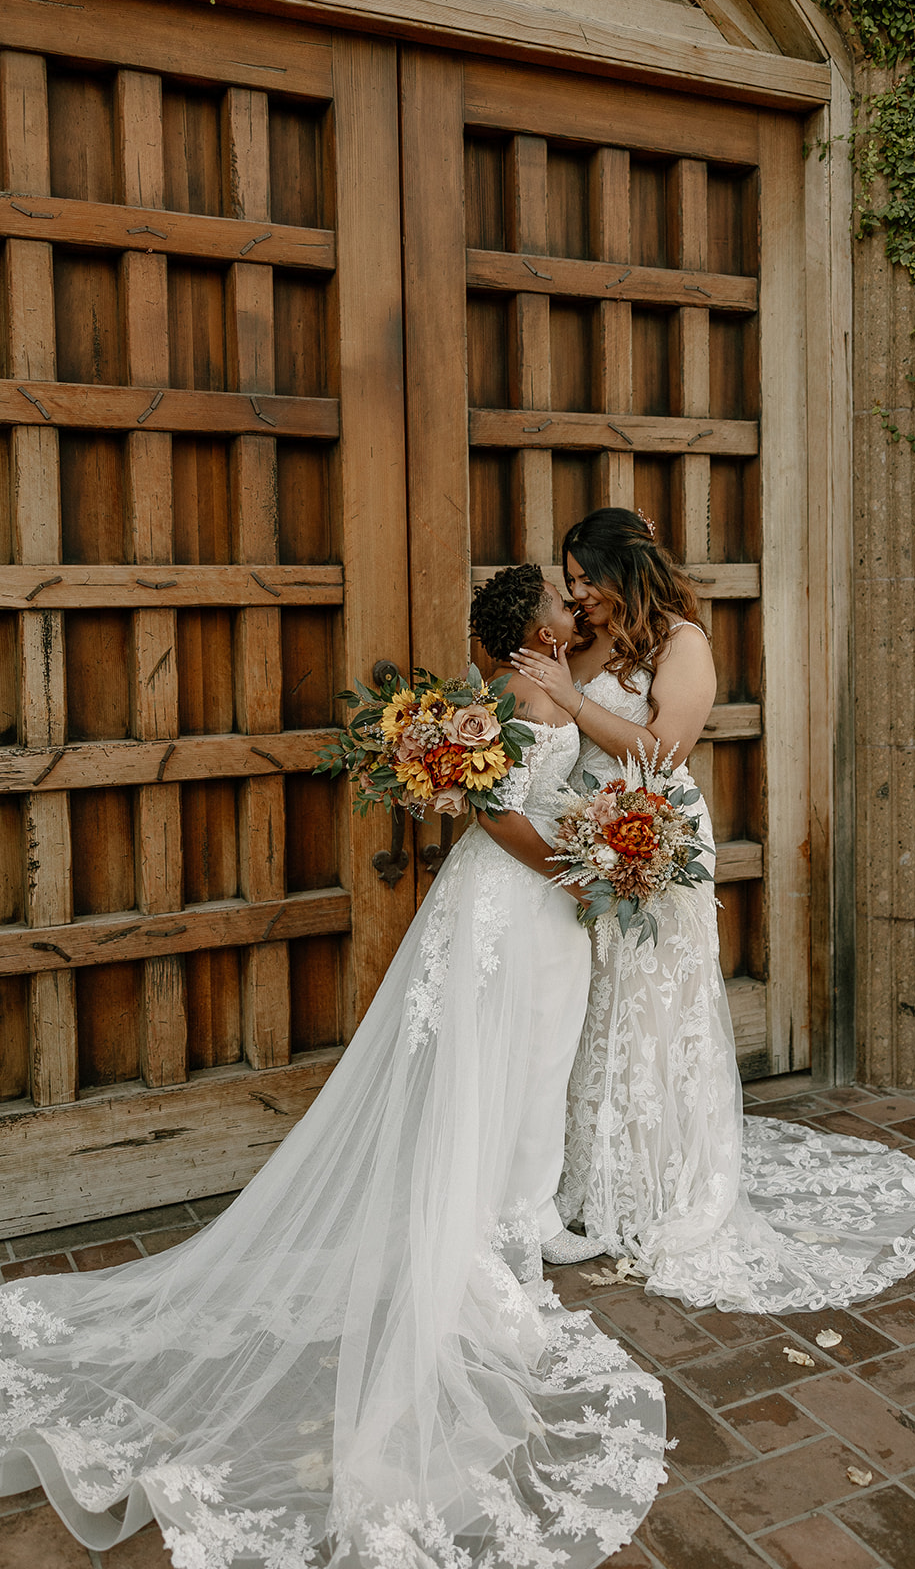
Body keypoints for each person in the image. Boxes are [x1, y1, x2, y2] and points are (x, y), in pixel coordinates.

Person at [0, 566, 666, 1569]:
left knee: (530, 1067)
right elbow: (491, 815)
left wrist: (597, 847)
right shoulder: (510, 697)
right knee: (501, 1065)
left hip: (536, 910)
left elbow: (567, 774)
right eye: (563, 605)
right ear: (533, 624)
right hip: (513, 904)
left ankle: (518, 1223)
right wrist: (580, 866)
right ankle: (492, 1245)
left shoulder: (531, 688)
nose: (577, 613)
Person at [511, 509, 915, 1313]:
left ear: (626, 571)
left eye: (586, 580)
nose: (576, 594)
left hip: (651, 839)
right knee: (590, 1007)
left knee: (652, 1005)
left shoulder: (682, 642)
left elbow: (661, 749)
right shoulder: (581, 638)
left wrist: (571, 702)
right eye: (569, 582)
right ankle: (585, 1177)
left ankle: (660, 1180)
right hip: (583, 843)